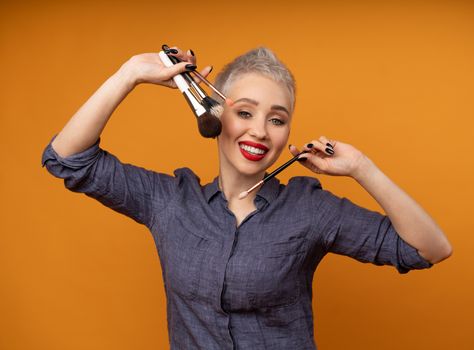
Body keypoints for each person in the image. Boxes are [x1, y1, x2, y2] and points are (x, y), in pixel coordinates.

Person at [41, 45, 453, 349]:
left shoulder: (310, 209)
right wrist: (128, 74)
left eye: (277, 119)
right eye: (245, 112)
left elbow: (429, 248)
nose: (260, 130)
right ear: (214, 114)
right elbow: (67, 159)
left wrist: (362, 167)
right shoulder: (169, 202)